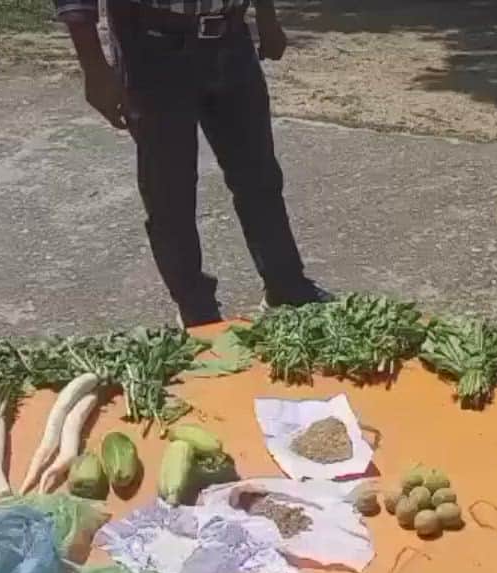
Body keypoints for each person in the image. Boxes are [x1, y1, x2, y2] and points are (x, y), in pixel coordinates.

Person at [55, 0, 330, 328]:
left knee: (258, 174)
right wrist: (94, 66)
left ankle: (286, 288)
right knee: (170, 189)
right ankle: (198, 312)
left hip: (231, 40)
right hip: (152, 46)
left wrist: (268, 18)